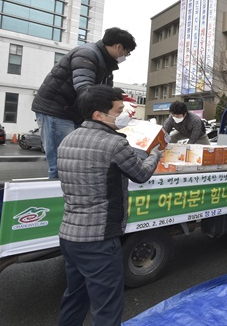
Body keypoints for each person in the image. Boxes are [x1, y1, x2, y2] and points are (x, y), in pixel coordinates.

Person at [56, 85, 161, 326]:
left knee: (76, 296)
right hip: (99, 239)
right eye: (119, 109)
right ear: (98, 115)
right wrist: (155, 155)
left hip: (70, 235)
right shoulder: (114, 143)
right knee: (107, 306)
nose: (125, 114)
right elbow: (141, 174)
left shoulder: (68, 139)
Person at [32, 27, 137, 179]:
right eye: (127, 52)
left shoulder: (105, 63)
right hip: (56, 110)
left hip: (72, 112)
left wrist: (119, 99)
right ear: (119, 47)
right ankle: (57, 198)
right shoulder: (87, 54)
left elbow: (104, 91)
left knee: (74, 160)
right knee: (62, 162)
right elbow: (84, 89)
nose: (126, 56)